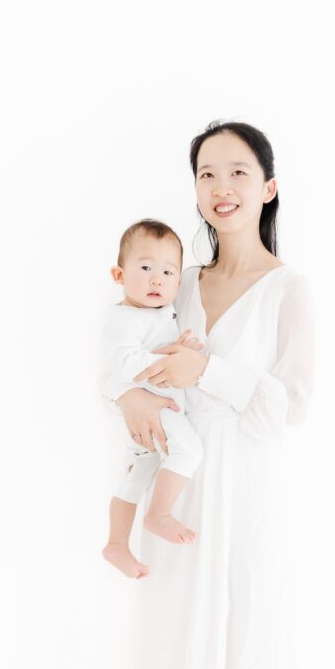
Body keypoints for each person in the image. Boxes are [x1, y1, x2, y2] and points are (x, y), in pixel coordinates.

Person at [100, 120, 316, 669]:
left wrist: (211, 369)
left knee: (251, 642)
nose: (219, 188)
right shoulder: (174, 278)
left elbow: (290, 407)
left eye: (236, 171)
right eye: (204, 173)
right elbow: (129, 353)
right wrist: (129, 394)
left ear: (267, 186)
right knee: (177, 642)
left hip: (250, 492)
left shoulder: (289, 289)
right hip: (180, 490)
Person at [101, 218, 209, 578]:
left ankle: (116, 543)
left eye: (167, 271)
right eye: (145, 268)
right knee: (189, 450)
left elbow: (153, 351)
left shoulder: (161, 312)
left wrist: (175, 349)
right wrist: (172, 358)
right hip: (154, 406)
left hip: (154, 407)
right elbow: (122, 362)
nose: (156, 279)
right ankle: (159, 514)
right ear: (119, 274)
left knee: (136, 473)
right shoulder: (126, 317)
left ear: (178, 282)